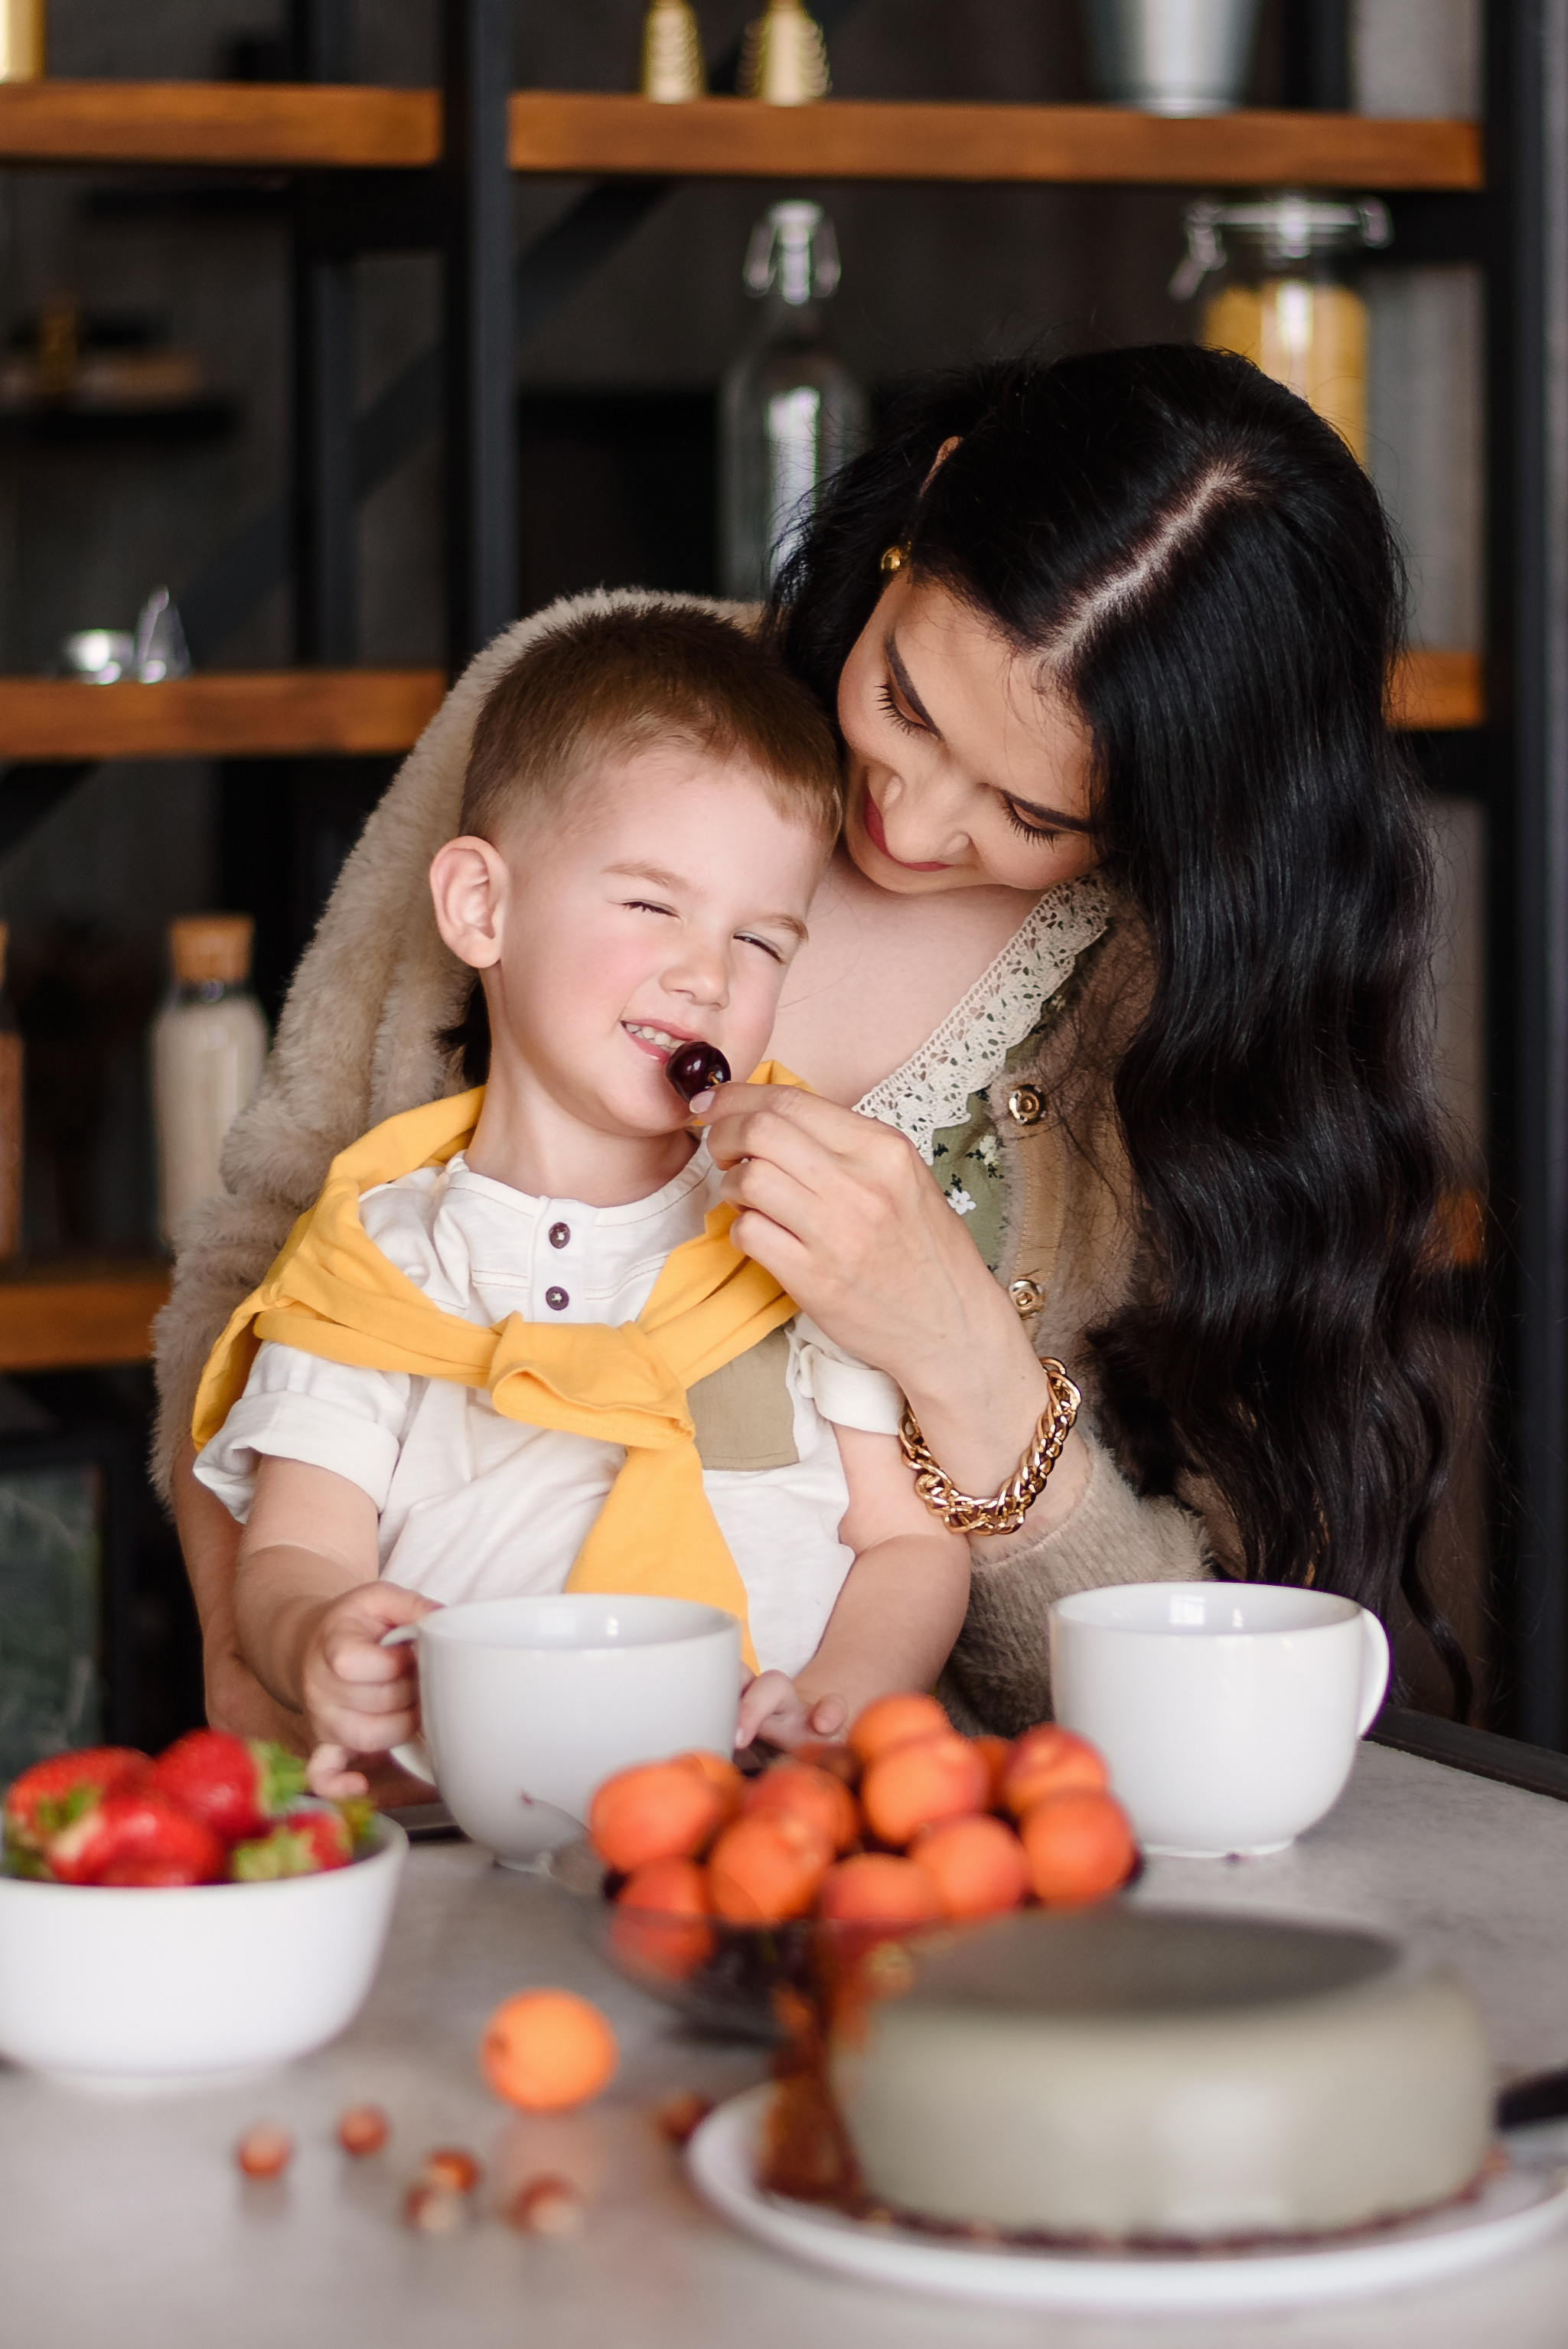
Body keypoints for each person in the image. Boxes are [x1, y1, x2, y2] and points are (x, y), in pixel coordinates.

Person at [155, 343, 1465, 1760]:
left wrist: (962, 1362)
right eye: (905, 701)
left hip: (886, 1859)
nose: (906, 820)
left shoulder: (1192, 1006)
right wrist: (268, 1654)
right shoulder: (595, 707)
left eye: (1031, 816)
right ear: (931, 499)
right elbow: (259, 1254)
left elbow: (1193, 1707)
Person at [191, 608, 971, 1781]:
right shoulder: (381, 1258)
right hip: (461, 1827)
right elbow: (294, 1548)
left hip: (755, 1823)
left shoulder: (801, 1228)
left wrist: (835, 1698)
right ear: (479, 908)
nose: (707, 973)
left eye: (762, 941)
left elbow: (907, 1542)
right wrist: (313, 1637)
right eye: (652, 904)